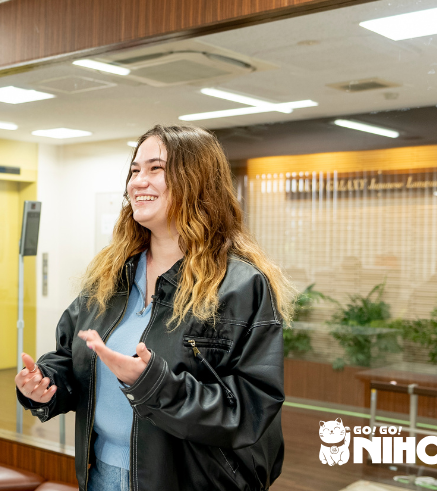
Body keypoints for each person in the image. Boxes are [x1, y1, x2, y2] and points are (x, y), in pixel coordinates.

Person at [15, 125, 294, 491]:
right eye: (134, 171)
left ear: (196, 181)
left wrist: (153, 384)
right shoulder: (111, 274)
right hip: (103, 475)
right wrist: (46, 383)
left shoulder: (240, 286)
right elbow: (71, 357)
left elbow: (249, 409)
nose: (138, 182)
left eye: (155, 169)